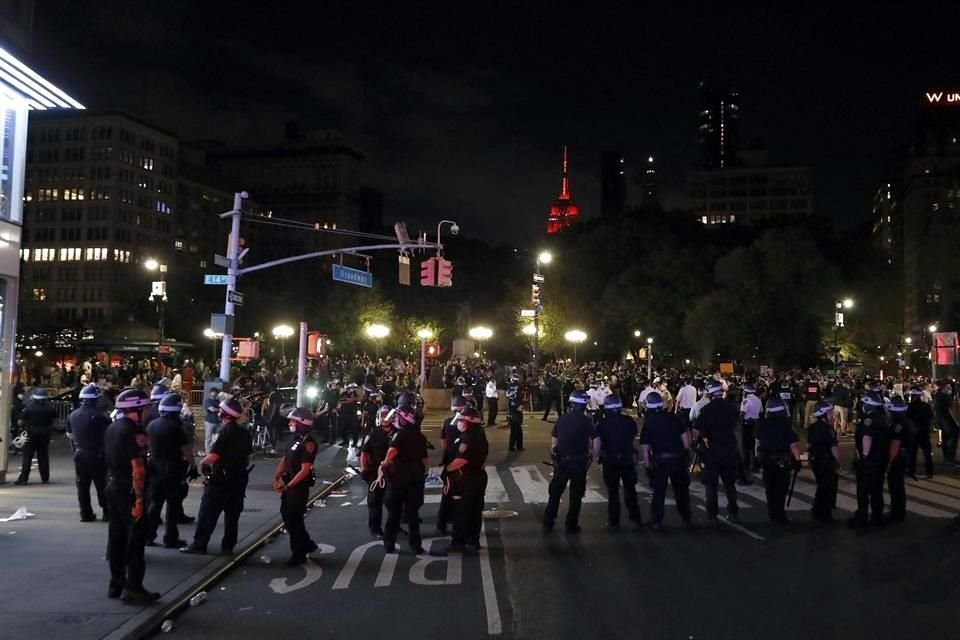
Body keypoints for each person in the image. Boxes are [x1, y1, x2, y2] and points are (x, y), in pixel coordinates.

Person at [103, 388, 160, 604]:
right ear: (135, 410)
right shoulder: (133, 433)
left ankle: (115, 584)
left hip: (113, 486)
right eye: (144, 408)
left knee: (116, 538)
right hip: (128, 490)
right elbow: (137, 468)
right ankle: (134, 588)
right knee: (135, 541)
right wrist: (138, 500)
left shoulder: (113, 428)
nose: (147, 412)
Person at [181, 397, 253, 555]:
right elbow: (247, 456)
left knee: (208, 513)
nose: (219, 413)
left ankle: (200, 544)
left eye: (221, 410)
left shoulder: (224, 431)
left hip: (221, 480)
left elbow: (214, 456)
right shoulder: (244, 432)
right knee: (232, 516)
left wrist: (202, 465)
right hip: (239, 478)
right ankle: (228, 547)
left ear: (225, 414)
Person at [543, 390, 599, 533]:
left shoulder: (562, 419)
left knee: (555, 493)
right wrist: (593, 454)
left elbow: (554, 440)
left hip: (562, 462)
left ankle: (549, 521)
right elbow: (596, 440)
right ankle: (571, 524)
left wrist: (554, 453)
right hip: (579, 463)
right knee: (576, 495)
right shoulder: (587, 421)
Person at [145, 393, 194, 549]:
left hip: (155, 468)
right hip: (172, 468)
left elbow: (148, 446)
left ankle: (148, 535)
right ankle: (170, 538)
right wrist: (193, 466)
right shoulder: (177, 428)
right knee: (172, 505)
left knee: (155, 503)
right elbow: (186, 450)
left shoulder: (152, 425)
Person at [379, 403, 429, 554]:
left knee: (393, 514)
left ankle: (389, 544)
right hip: (415, 478)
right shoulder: (420, 436)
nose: (395, 419)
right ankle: (416, 546)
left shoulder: (399, 434)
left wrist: (385, 463)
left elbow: (393, 450)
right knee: (413, 515)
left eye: (398, 417)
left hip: (399, 477)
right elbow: (424, 460)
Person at [273, 408, 319, 565]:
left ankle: (299, 552)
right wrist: (277, 476)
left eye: (293, 421)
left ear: (302, 424)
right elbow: (285, 458)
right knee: (288, 515)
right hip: (289, 484)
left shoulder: (309, 443)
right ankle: (307, 544)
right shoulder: (294, 438)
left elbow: (305, 469)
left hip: (298, 486)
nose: (290, 423)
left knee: (293, 517)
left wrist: (289, 486)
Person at [640, 391, 693, 530]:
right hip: (677, 458)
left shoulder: (649, 423)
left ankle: (656, 521)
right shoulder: (673, 417)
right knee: (681, 492)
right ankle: (686, 519)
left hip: (659, 461)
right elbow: (684, 436)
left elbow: (645, 447)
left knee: (659, 492)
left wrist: (647, 465)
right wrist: (687, 452)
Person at [693, 380, 740, 526]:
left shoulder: (706, 410)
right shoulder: (732, 408)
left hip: (712, 450)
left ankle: (712, 515)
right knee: (730, 484)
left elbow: (696, 431)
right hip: (729, 449)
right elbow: (736, 426)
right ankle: (733, 512)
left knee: (711, 485)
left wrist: (698, 441)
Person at [444, 407, 489, 551]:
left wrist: (447, 470)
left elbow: (462, 460)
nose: (459, 423)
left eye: (462, 420)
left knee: (461, 512)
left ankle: (458, 542)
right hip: (477, 477)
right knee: (475, 511)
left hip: (466, 479)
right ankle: (472, 539)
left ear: (468, 422)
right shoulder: (479, 433)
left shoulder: (468, 438)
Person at [596, 394, 642, 528]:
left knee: (613, 492)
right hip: (627, 459)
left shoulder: (602, 424)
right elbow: (633, 437)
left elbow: (598, 443)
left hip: (610, 460)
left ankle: (614, 521)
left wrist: (596, 455)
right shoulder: (629, 421)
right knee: (630, 490)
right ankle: (635, 518)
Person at [67, 383, 111, 521]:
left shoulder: (73, 415)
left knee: (82, 485)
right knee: (101, 484)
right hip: (97, 454)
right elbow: (108, 434)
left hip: (79, 453)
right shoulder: (101, 415)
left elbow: (70, 435)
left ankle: (85, 514)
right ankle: (107, 513)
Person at [756, 395, 802, 524]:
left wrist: (757, 457)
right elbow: (793, 445)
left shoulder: (762, 424)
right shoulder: (786, 425)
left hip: (766, 460)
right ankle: (779, 514)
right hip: (782, 461)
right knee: (781, 489)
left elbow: (758, 442)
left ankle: (772, 512)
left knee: (769, 488)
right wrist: (798, 461)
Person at [849, 392, 889, 528]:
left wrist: (864, 457)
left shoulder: (868, 419)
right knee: (877, 491)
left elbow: (867, 437)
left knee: (864, 491)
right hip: (880, 459)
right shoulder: (883, 418)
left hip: (869, 460)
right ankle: (877, 517)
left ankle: (862, 518)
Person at [361, 405, 394, 537]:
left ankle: (394, 526)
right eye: (382, 415)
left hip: (393, 472)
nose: (385, 417)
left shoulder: (398, 432)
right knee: (375, 502)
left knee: (394, 502)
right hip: (376, 473)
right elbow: (364, 453)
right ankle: (375, 528)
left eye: (387, 415)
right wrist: (364, 469)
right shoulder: (373, 433)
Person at [436, 396, 467, 533]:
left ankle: (442, 522)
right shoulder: (465, 423)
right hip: (459, 463)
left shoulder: (447, 422)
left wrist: (448, 451)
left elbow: (443, 441)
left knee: (447, 493)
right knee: (458, 495)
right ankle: (455, 523)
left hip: (450, 460)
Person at [15, 387, 58, 485]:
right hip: (45, 434)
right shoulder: (50, 408)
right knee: (43, 456)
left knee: (27, 456)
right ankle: (45, 478)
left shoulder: (28, 408)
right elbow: (54, 420)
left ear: (34, 397)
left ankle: (23, 479)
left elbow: (20, 422)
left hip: (30, 434)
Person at [807, 400, 841, 523]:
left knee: (821, 487)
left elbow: (809, 445)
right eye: (830, 412)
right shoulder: (828, 429)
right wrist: (838, 462)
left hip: (816, 461)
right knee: (827, 489)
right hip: (826, 462)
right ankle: (825, 516)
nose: (832, 414)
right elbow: (833, 447)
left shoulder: (812, 427)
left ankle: (817, 511)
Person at [886, 396, 911, 523]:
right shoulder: (903, 420)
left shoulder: (897, 423)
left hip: (898, 458)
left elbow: (895, 444)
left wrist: (889, 462)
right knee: (898, 485)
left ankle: (897, 513)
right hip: (903, 456)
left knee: (895, 486)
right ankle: (898, 511)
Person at [906, 387, 935, 479]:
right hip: (924, 431)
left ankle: (911, 471)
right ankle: (929, 472)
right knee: (927, 453)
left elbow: (907, 419)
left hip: (914, 432)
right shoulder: (926, 406)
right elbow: (931, 418)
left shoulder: (910, 406)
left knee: (912, 453)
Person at [739, 384, 762, 481]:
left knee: (746, 447)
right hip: (756, 423)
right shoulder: (758, 400)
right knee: (755, 446)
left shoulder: (746, 401)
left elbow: (742, 413)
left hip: (747, 424)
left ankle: (747, 465)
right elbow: (761, 412)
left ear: (746, 392)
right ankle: (756, 465)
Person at [934, 381, 959, 465]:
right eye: (948, 387)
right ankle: (951, 457)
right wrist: (957, 421)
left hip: (940, 419)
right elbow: (951, 409)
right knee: (954, 436)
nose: (950, 389)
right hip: (947, 420)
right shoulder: (946, 396)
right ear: (944, 387)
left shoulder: (937, 395)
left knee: (945, 437)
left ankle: (946, 457)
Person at [506, 376, 525, 452]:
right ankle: (511, 447)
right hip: (514, 418)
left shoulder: (516, 398)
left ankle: (519, 446)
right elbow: (517, 408)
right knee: (514, 432)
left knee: (519, 432)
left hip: (517, 417)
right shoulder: (512, 401)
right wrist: (519, 407)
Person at [202, 386, 221, 455]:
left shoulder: (218, 401)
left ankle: (213, 450)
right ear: (210, 393)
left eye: (216, 392)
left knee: (218, 437)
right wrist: (220, 410)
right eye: (213, 392)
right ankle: (208, 453)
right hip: (209, 421)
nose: (215, 393)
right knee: (208, 438)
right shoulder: (207, 401)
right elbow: (212, 409)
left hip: (218, 422)